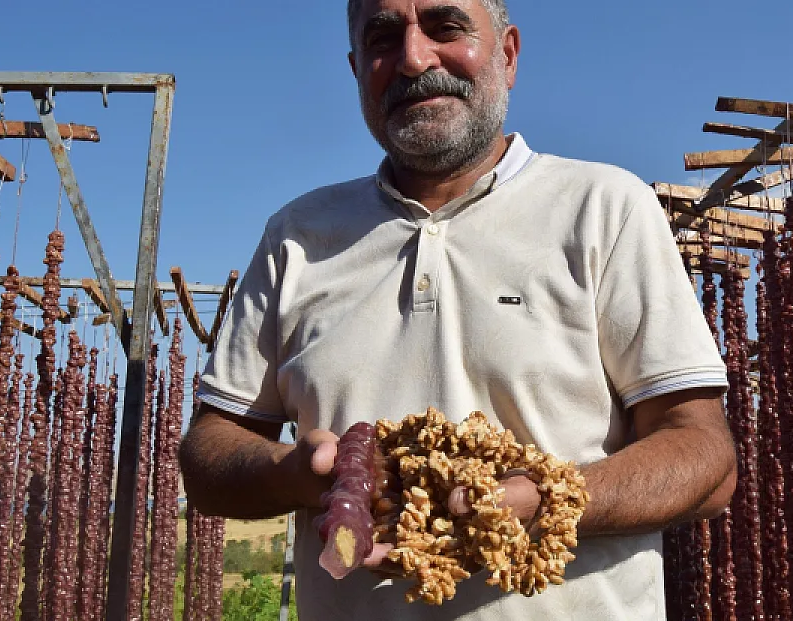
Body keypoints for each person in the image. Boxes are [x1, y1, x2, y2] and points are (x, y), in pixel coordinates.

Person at [178, 0, 737, 618]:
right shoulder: (298, 236)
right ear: (357, 67)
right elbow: (209, 451)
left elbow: (704, 458)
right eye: (383, 38)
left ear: (508, 53)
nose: (414, 59)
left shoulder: (605, 208)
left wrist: (539, 500)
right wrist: (302, 474)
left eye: (446, 27)